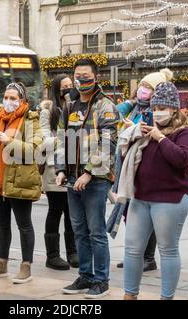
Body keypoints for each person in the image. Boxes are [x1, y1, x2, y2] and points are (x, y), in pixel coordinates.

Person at [122, 81, 188, 300]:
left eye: (162, 108)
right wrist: (133, 135)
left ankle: (166, 297)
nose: (157, 113)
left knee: (168, 250)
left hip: (170, 198)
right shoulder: (147, 130)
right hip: (141, 196)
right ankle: (130, 295)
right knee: (132, 249)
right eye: (154, 109)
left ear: (174, 108)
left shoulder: (185, 132)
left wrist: (160, 137)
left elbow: (181, 159)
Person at [55, 58, 119, 299]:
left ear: (96, 77)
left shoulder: (106, 106)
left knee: (96, 231)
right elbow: (62, 139)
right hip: (72, 180)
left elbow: (108, 143)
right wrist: (61, 169)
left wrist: (89, 172)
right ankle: (85, 275)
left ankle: (101, 280)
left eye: (85, 76)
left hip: (97, 180)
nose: (81, 80)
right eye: (77, 76)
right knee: (79, 230)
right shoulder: (69, 106)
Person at [0, 82, 42, 284]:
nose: (8, 101)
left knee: (24, 225)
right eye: (6, 97)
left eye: (13, 98)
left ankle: (26, 266)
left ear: (22, 100)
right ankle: (1, 263)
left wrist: (8, 141)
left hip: (19, 179)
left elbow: (35, 150)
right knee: (2, 225)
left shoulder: (30, 119)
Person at [114, 69, 173, 271]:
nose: (142, 90)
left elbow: (148, 135)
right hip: (128, 167)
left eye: (148, 87)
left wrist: (133, 128)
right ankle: (135, 254)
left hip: (144, 167)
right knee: (129, 214)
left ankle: (147, 257)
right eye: (141, 85)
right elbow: (114, 111)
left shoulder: (155, 112)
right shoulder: (135, 108)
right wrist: (130, 103)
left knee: (146, 216)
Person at [39, 73, 78, 271]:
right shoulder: (48, 111)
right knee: (55, 210)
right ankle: (52, 255)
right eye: (65, 86)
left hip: (74, 168)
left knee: (72, 213)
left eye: (71, 85)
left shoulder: (78, 108)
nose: (69, 89)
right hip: (54, 168)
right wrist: (65, 138)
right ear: (57, 90)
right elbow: (44, 140)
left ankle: (73, 252)